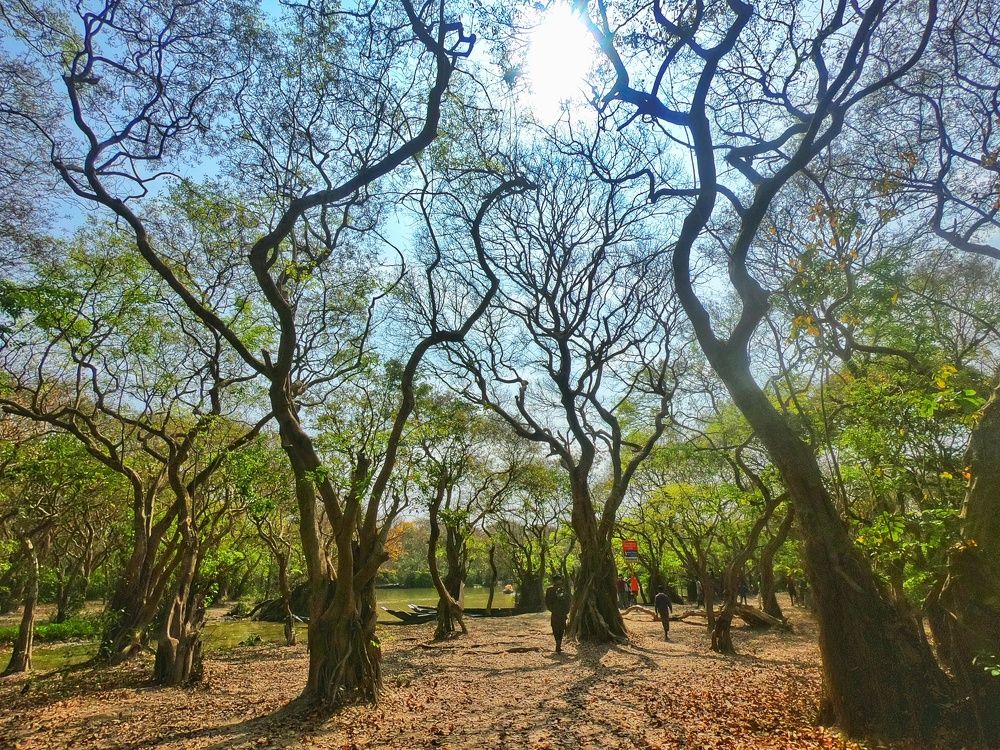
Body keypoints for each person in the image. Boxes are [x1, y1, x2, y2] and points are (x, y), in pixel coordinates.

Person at [544, 574, 571, 653]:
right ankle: (558, 644)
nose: (558, 581)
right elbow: (547, 602)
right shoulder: (550, 590)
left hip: (562, 613)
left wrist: (566, 611)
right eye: (557, 580)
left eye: (559, 580)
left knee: (561, 629)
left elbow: (568, 600)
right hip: (555, 613)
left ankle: (559, 644)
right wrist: (553, 610)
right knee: (555, 629)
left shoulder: (564, 590)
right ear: (554, 581)